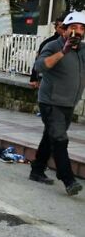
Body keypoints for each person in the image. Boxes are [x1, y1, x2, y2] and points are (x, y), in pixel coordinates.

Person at [31, 11, 85, 196]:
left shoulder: (83, 50)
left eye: (82, 28)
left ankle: (37, 170)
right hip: (50, 102)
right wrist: (63, 52)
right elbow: (39, 66)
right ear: (64, 30)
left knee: (51, 137)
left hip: (69, 103)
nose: (77, 31)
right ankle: (68, 179)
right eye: (73, 27)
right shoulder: (53, 45)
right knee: (60, 139)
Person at [29, 13, 67, 89]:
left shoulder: (74, 44)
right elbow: (38, 61)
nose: (63, 30)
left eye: (65, 27)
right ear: (56, 28)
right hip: (51, 80)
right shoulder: (48, 43)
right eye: (61, 27)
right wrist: (34, 78)